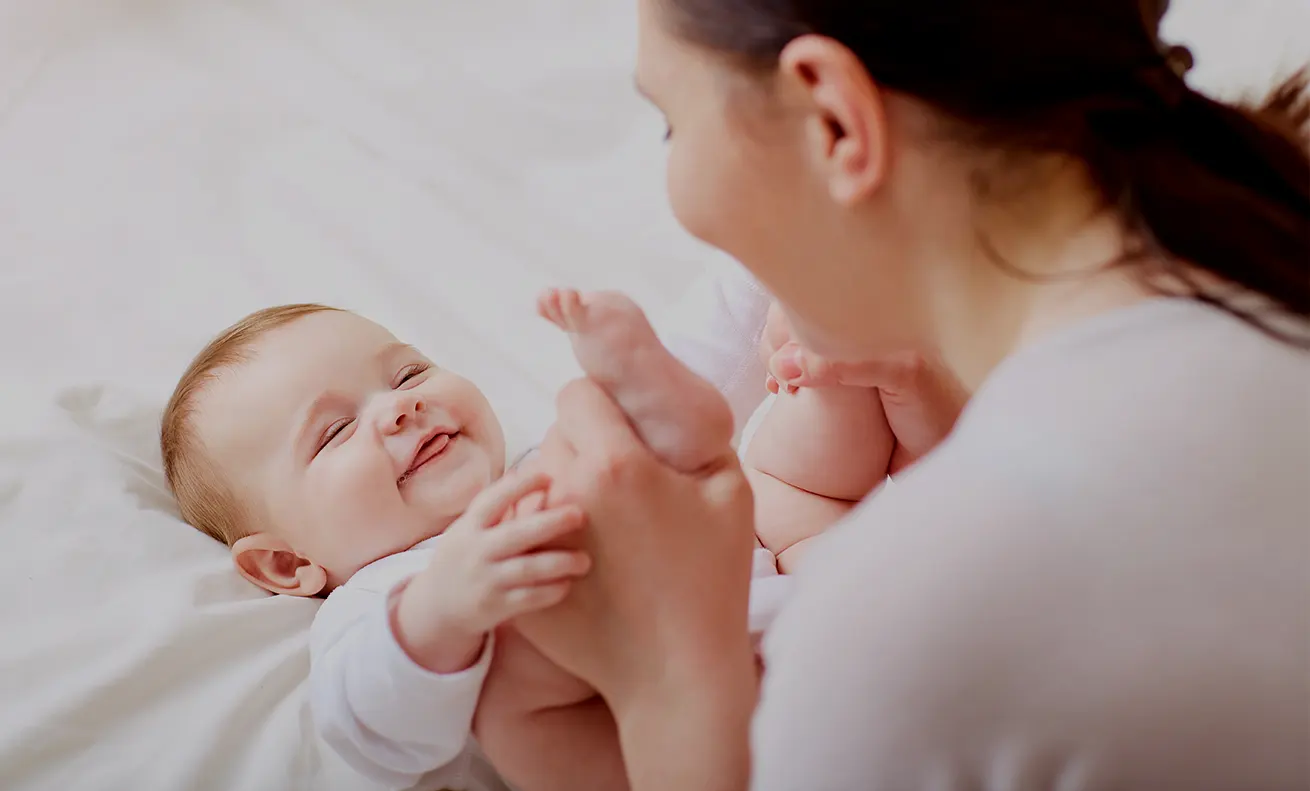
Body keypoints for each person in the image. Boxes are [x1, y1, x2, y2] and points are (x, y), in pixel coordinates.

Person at [508, 0, 1310, 789]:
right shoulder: (1263, 246)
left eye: (671, 124)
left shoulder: (908, 625)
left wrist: (666, 677)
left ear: (833, 120)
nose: (676, 187)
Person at [156, 282, 888, 788]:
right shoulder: (385, 600)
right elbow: (368, 735)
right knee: (514, 670)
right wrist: (444, 608)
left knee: (786, 443)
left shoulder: (553, 459)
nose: (399, 408)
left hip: (799, 597)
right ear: (287, 562)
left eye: (408, 372)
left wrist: (756, 264)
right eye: (336, 430)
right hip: (688, 747)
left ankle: (809, 351)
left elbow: (713, 351)